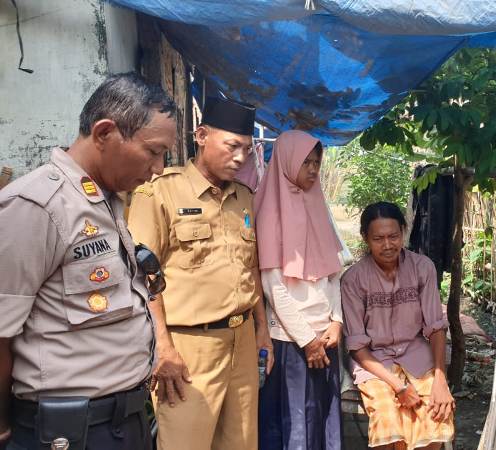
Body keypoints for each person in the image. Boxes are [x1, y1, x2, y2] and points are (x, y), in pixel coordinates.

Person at [0, 73, 176, 450]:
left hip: (124, 420)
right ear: (104, 133)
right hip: (69, 433)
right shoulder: (38, 206)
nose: (159, 169)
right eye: (153, 151)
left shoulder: (107, 201)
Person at [127, 96, 273, 450]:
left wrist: (263, 331)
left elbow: (249, 266)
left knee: (240, 443)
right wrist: (163, 347)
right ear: (202, 135)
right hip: (188, 348)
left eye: (247, 149)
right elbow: (142, 276)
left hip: (242, 343)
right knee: (185, 443)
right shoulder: (160, 192)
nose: (240, 158)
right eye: (232, 146)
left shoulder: (243, 197)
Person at [341, 201, 455, 450]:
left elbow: (436, 327)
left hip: (417, 354)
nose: (387, 245)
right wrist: (399, 386)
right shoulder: (353, 280)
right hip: (374, 362)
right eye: (378, 238)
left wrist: (440, 378)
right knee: (386, 417)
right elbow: (357, 347)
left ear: (403, 231)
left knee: (435, 412)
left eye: (393, 236)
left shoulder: (423, 267)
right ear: (365, 238)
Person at [255, 130, 343, 450]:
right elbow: (273, 288)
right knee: (293, 425)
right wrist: (307, 341)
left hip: (326, 337)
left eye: (316, 162)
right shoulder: (269, 212)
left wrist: (336, 320)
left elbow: (334, 274)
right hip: (291, 342)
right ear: (287, 160)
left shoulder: (318, 206)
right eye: (305, 162)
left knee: (321, 422)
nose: (312, 169)